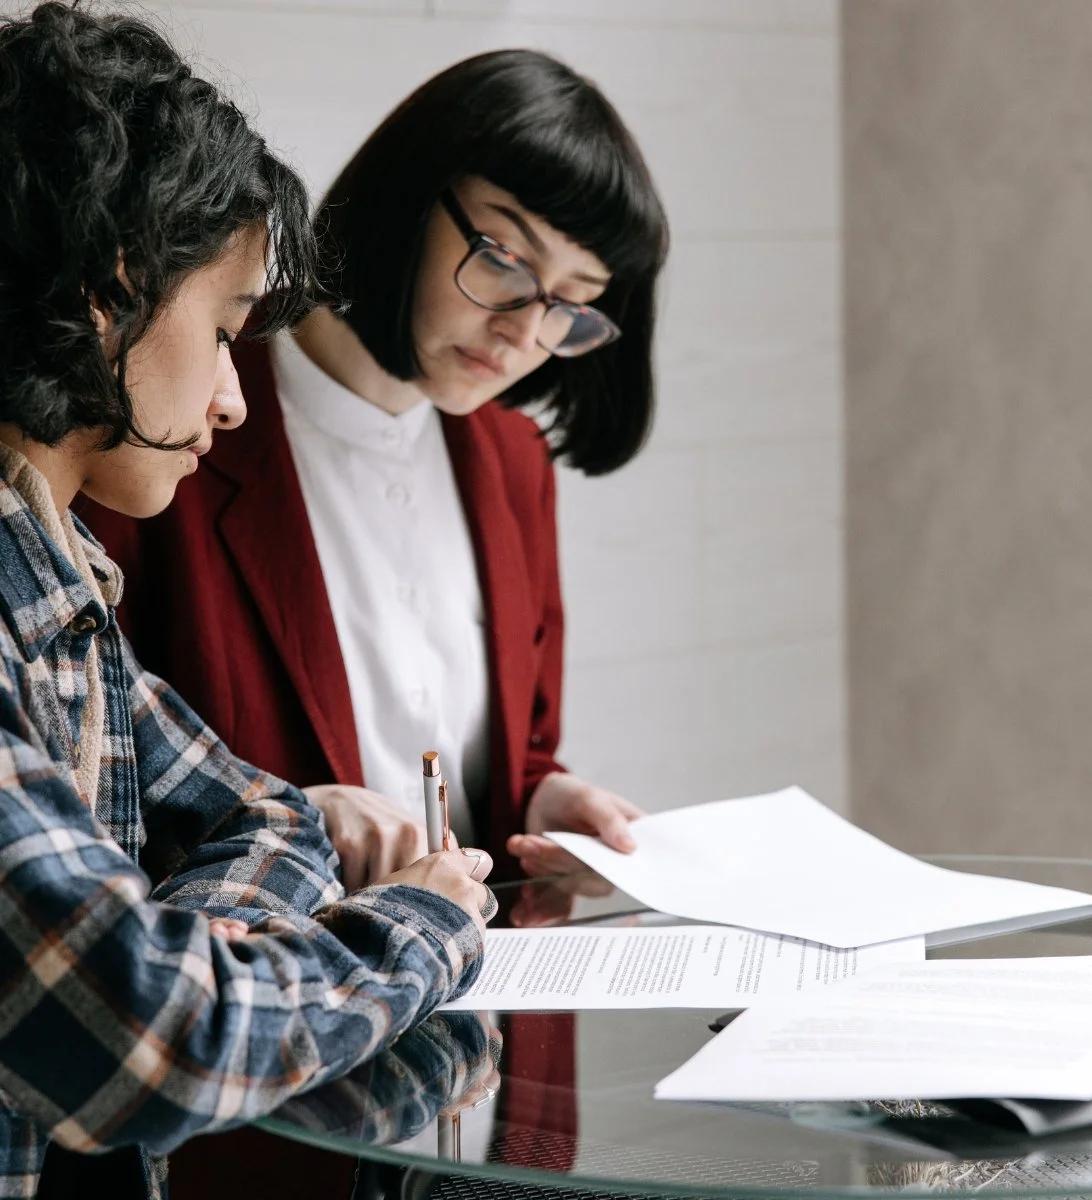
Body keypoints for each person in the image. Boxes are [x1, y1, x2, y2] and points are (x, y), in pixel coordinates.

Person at [85, 47, 668, 1198]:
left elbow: (501, 742)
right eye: (503, 258)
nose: (523, 331)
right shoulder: (180, 428)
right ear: (409, 196)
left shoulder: (509, 459)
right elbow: (107, 792)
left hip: (471, 1064)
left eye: (573, 307)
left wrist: (549, 797)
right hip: (265, 1093)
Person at [0, 6, 494, 1197]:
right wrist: (419, 926)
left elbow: (279, 823)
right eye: (224, 329)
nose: (232, 400)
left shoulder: (65, 591)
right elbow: (158, 1045)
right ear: (114, 295)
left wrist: (189, 949)